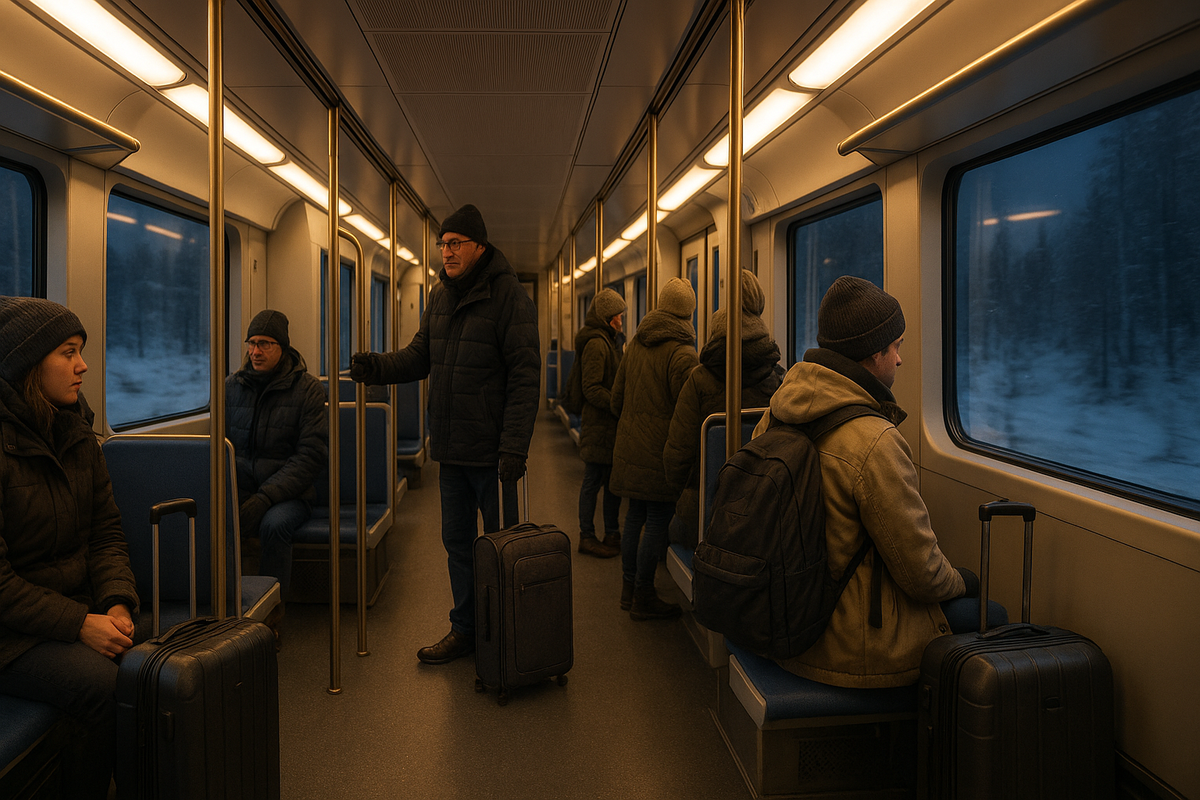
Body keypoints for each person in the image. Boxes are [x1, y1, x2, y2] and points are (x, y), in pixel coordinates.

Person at [753, 276, 977, 688]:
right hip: (846, 646)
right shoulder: (874, 440)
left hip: (779, 617)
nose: (900, 360)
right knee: (986, 614)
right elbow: (920, 572)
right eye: (897, 347)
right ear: (874, 353)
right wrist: (964, 581)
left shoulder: (776, 412)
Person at [349, 204, 540, 665]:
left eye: (455, 244)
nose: (446, 252)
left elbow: (525, 377)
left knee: (500, 546)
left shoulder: (509, 297)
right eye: (443, 243)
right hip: (452, 451)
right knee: (457, 545)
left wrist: (514, 446)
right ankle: (467, 629)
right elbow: (420, 356)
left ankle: (505, 632)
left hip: (494, 454)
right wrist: (378, 366)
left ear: (479, 246)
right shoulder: (440, 296)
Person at [0, 296, 140, 799]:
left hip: (69, 611)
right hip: (11, 633)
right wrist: (80, 624)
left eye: (81, 351)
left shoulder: (77, 432)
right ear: (27, 363)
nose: (82, 365)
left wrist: (116, 603)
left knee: (149, 659)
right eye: (68, 352)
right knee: (103, 685)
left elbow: (105, 533)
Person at [663, 269, 784, 548]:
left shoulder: (700, 379)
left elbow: (677, 457)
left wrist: (687, 495)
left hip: (704, 514)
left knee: (671, 531)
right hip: (763, 514)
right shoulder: (779, 378)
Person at [226, 309, 328, 621]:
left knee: (274, 525)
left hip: (289, 493)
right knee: (211, 518)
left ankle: (270, 617)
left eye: (265, 344)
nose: (255, 352)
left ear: (282, 347)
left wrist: (266, 496)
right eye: (251, 343)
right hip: (242, 486)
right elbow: (220, 448)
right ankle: (222, 607)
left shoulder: (308, 389)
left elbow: (310, 456)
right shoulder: (232, 387)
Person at [610, 278, 698, 620]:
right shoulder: (683, 354)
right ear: (689, 312)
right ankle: (644, 594)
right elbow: (686, 414)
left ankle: (628, 588)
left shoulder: (634, 345)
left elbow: (617, 399)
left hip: (630, 448)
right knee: (659, 520)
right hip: (659, 454)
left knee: (634, 517)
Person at [574, 289, 626, 559]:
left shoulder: (611, 341)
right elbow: (591, 387)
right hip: (598, 425)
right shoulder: (597, 344)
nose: (621, 320)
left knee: (611, 482)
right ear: (608, 318)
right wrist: (616, 402)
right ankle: (586, 535)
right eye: (618, 316)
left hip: (609, 426)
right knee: (593, 480)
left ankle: (611, 532)